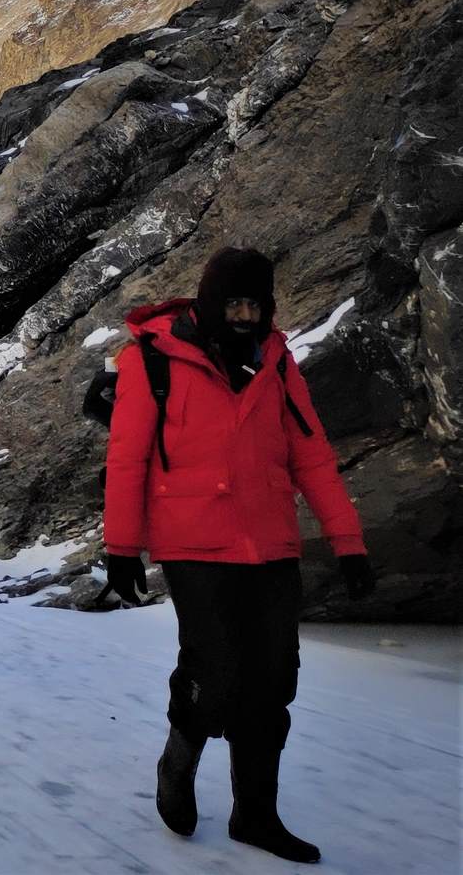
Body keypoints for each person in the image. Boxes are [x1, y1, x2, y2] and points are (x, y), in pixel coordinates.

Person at [102, 246, 372, 864]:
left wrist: (348, 541)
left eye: (258, 305)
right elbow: (127, 457)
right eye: (236, 304)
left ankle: (256, 814)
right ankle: (180, 758)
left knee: (274, 679)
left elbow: (312, 457)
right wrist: (121, 547)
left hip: (270, 540)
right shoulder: (150, 359)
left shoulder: (277, 362)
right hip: (193, 540)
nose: (247, 317)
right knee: (216, 669)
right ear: (210, 303)